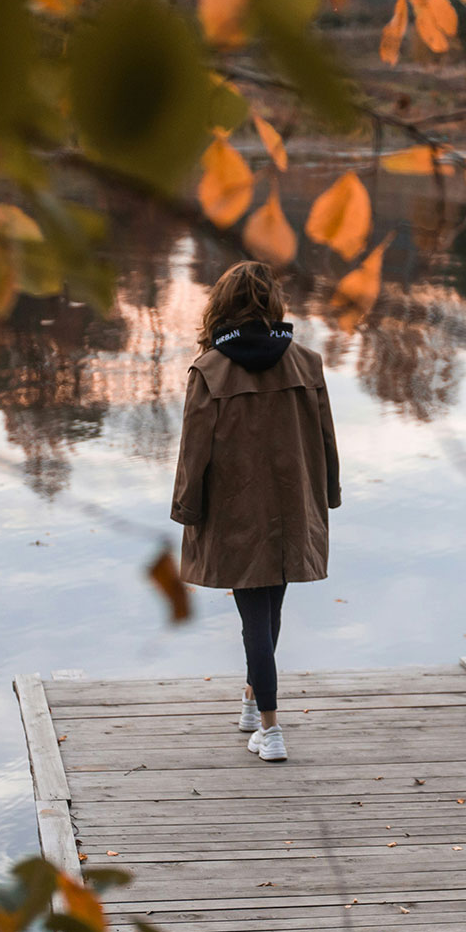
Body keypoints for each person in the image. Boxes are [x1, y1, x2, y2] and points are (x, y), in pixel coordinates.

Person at [170, 262, 341, 763]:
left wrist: (187, 508)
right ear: (273, 306)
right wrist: (327, 493)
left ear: (221, 306)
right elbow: (327, 440)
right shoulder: (307, 363)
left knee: (255, 618)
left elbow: (193, 450)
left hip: (236, 508)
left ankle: (270, 729)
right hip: (292, 505)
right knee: (269, 612)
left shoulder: (209, 371)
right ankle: (251, 702)